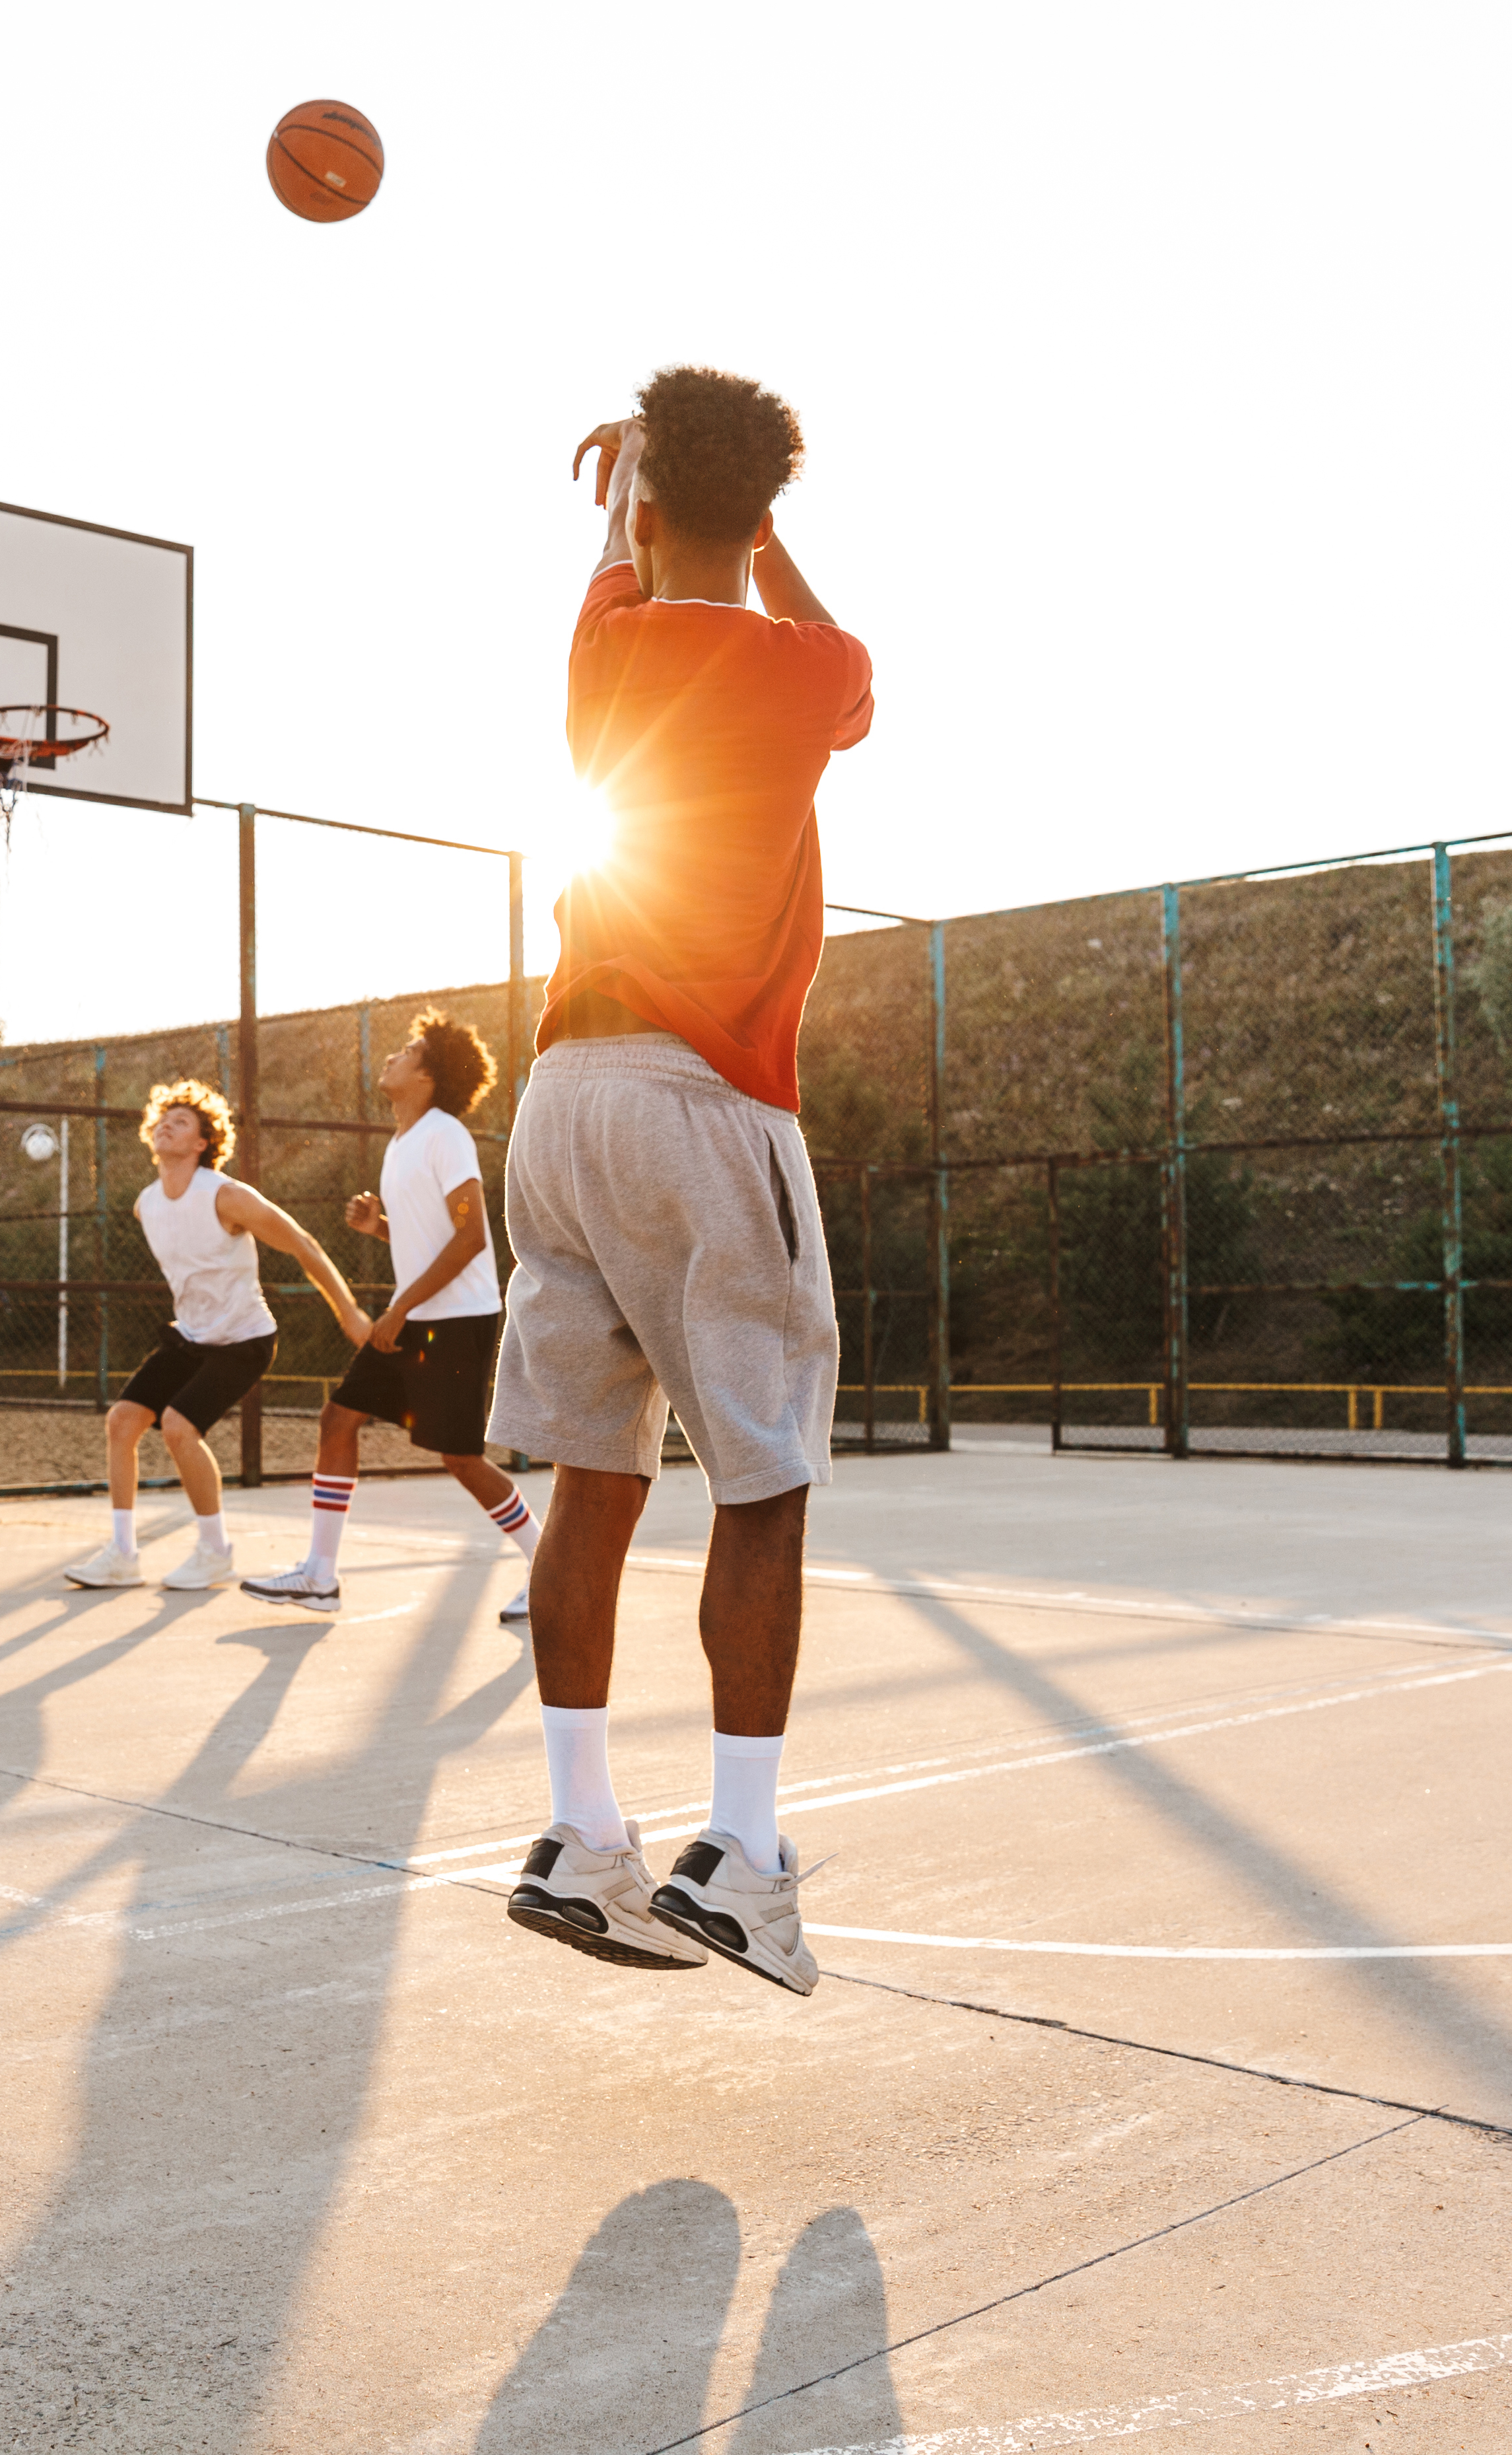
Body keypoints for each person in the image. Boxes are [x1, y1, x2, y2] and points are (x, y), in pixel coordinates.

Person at [490, 367, 872, 1995]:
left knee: (591, 1473)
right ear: (764, 511)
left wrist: (626, 483)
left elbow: (624, 556)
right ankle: (741, 1850)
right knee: (763, 1476)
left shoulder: (602, 646)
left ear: (642, 510)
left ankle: (582, 1831)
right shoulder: (811, 671)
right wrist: (748, 526)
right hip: (707, 1102)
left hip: (559, 1100)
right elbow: (840, 672)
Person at [242, 1012, 542, 1620]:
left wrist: (398, 1309)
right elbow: (430, 1238)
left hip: (455, 1322)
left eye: (408, 1051)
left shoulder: (445, 1135)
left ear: (429, 1075)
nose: (392, 1058)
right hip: (416, 1318)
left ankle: (549, 1570)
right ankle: (320, 1577)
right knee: (338, 1419)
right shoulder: (402, 1142)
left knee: (460, 1458)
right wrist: (377, 1227)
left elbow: (471, 1240)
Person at [61, 1080, 370, 1594]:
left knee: (180, 1427)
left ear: (203, 1143)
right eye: (163, 1119)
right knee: (122, 1422)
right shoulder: (146, 1204)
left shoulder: (227, 1197)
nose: (166, 1125)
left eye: (181, 1122)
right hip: (192, 1337)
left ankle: (215, 1551)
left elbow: (304, 1244)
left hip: (244, 1339)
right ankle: (122, 1555)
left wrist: (350, 1312)